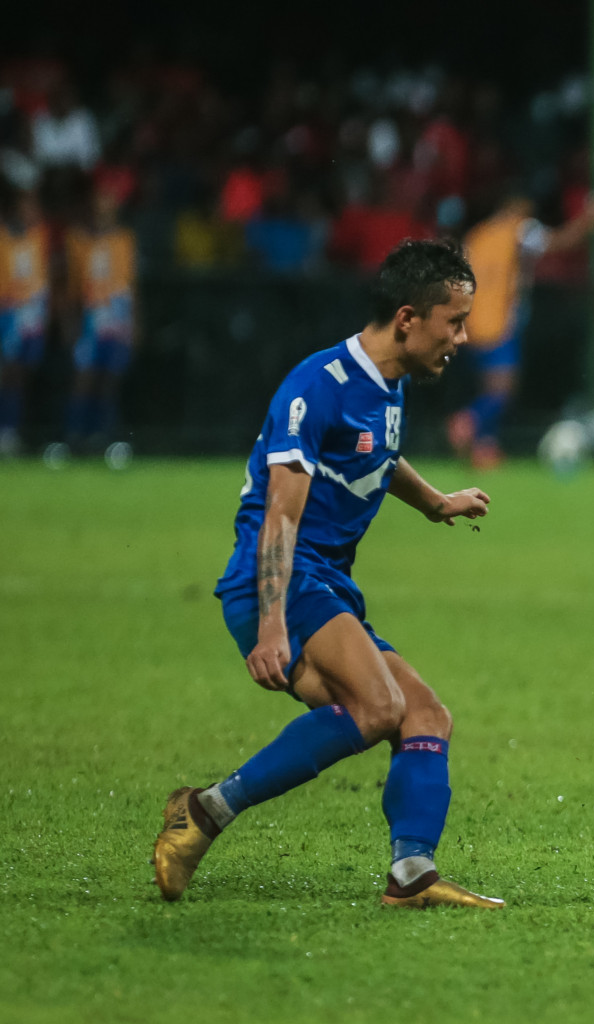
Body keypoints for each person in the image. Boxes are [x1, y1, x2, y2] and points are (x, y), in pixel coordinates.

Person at [151, 239, 503, 910]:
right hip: (277, 581)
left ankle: (411, 875)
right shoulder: (318, 386)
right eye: (452, 321)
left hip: (326, 584)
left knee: (425, 714)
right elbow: (281, 518)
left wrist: (434, 502)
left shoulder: (387, 384)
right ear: (407, 318)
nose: (461, 337)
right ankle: (204, 813)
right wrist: (274, 626)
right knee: (379, 708)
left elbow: (378, 454)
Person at [447, 188, 594, 469]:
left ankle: (485, 449)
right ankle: (470, 419)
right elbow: (559, 242)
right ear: (517, 207)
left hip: (470, 322)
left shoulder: (478, 235)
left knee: (489, 385)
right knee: (503, 389)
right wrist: (589, 219)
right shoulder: (519, 229)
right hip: (498, 323)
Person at [63, 185, 135, 456]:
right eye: (98, 210)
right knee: (84, 377)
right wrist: (70, 322)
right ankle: (74, 436)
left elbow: (130, 283)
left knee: (110, 379)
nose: (102, 215)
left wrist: (135, 321)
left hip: (118, 318)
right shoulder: (79, 240)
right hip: (89, 319)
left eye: (107, 210)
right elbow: (72, 286)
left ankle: (104, 438)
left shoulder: (124, 240)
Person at [0, 190, 50, 456]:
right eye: (25, 206)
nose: (31, 211)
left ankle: (11, 431)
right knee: (7, 373)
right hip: (6, 314)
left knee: (21, 375)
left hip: (31, 315)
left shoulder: (38, 236)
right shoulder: (3, 237)